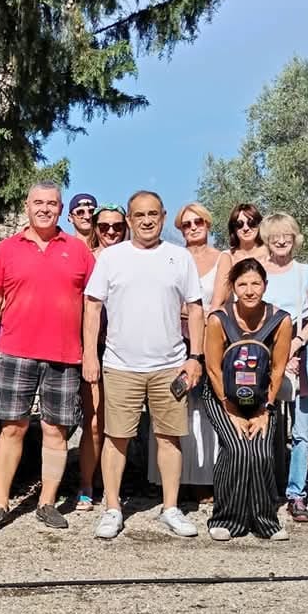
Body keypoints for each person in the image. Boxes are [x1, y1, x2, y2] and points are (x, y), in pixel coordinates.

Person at [82, 191, 204, 540]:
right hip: (120, 365)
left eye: (153, 214)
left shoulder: (179, 258)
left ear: (163, 217)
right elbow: (92, 306)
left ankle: (170, 508)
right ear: (129, 220)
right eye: (139, 215)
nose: (147, 220)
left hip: (170, 365)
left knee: (169, 438)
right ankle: (112, 508)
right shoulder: (112, 258)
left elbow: (196, 308)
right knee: (116, 437)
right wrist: (89, 354)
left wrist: (195, 358)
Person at [0, 183, 95, 533]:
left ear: (61, 210)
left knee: (56, 430)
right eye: (38, 202)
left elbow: (92, 306)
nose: (45, 208)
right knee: (12, 428)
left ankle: (47, 503)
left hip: (65, 355)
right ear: (27, 206)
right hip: (15, 351)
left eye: (52, 203)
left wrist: (89, 353)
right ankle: (0, 503)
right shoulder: (7, 249)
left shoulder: (78, 250)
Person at [204, 259, 292, 541]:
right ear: (233, 287)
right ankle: (227, 519)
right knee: (238, 450)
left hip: (262, 400)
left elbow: (278, 368)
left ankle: (265, 521)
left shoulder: (281, 320)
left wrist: (265, 409)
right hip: (222, 397)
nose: (250, 290)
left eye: (256, 283)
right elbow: (213, 369)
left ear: (265, 285)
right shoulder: (218, 319)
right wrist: (230, 410)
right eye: (242, 284)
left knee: (261, 452)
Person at [261, 212, 308, 523]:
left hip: (302, 351)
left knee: (300, 427)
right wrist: (278, 352)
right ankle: (265, 486)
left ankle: (296, 492)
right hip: (267, 353)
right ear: (267, 239)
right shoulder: (259, 271)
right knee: (265, 420)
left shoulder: (307, 273)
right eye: (275, 235)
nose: (281, 240)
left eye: (286, 234)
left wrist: (296, 344)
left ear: (295, 238)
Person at [74, 203, 129, 511]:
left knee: (117, 424)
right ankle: (86, 484)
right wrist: (88, 352)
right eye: (104, 226)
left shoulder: (135, 257)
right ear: (95, 228)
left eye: (117, 226)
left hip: (127, 349)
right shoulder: (86, 258)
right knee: (93, 421)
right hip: (93, 347)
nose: (111, 231)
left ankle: (111, 485)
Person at [175, 202, 229, 492]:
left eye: (198, 222)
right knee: (178, 405)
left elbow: (217, 305)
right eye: (187, 224)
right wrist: (194, 311)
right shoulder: (173, 257)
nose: (193, 227)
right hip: (175, 341)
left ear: (208, 224)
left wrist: (190, 311)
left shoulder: (223, 259)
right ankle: (177, 478)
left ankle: (207, 478)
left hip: (211, 342)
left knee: (208, 406)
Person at [211, 203, 269, 307]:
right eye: (239, 224)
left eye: (251, 223)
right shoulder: (227, 257)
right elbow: (218, 301)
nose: (246, 228)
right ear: (233, 228)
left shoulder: (272, 254)